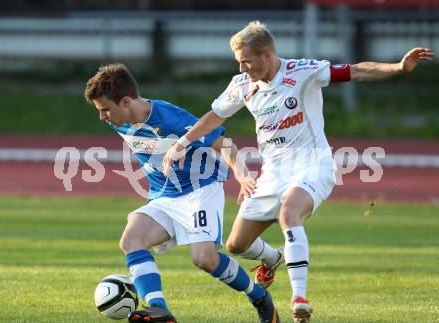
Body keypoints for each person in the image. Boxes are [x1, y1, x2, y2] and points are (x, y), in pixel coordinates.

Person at [162, 21, 433, 323]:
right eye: (239, 62)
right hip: (273, 173)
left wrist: (397, 67)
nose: (242, 68)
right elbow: (214, 117)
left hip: (312, 164)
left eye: (246, 61)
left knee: (289, 213)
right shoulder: (242, 85)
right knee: (236, 245)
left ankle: (299, 298)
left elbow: (355, 70)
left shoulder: (303, 72)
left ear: (267, 55)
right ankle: (273, 258)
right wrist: (183, 143)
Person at [84, 63, 282, 323]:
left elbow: (226, 145)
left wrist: (243, 175)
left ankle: (260, 298)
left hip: (201, 190)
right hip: (164, 196)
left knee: (204, 258)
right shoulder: (118, 120)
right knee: (131, 240)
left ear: (125, 101)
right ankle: (159, 308)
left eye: (105, 109)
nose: (102, 117)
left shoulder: (170, 118)